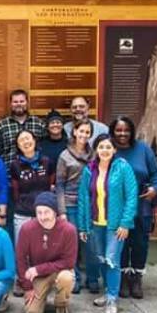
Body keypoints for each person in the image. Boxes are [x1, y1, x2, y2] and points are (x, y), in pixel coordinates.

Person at [78, 134, 138, 313]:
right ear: (96, 150)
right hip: (96, 224)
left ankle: (112, 298)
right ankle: (107, 292)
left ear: (114, 150)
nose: (104, 150)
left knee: (112, 260)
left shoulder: (122, 168)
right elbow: (83, 199)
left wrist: (125, 223)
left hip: (115, 226)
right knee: (101, 259)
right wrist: (83, 226)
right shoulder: (89, 170)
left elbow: (132, 196)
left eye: (108, 147)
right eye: (101, 147)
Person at [110, 116, 157, 299]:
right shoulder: (110, 149)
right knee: (121, 243)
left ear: (132, 131)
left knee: (140, 243)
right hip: (118, 206)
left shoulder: (143, 149)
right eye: (118, 130)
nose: (122, 133)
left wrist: (154, 189)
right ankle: (123, 277)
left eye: (126, 130)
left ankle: (137, 277)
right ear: (113, 131)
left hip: (142, 205)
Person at [17, 192, 77, 313]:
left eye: (47, 212)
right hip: (39, 277)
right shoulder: (27, 229)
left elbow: (69, 262)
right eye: (39, 212)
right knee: (33, 312)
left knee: (67, 277)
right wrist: (27, 287)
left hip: (60, 271)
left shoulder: (68, 230)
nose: (43, 217)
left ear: (55, 212)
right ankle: (41, 299)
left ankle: (61, 304)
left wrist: (39, 269)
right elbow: (20, 259)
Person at [55, 119, 99, 294]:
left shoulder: (94, 155)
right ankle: (75, 278)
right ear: (74, 132)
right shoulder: (64, 155)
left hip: (90, 204)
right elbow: (59, 185)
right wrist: (62, 211)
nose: (84, 135)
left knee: (91, 243)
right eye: (81, 131)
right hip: (70, 203)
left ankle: (93, 278)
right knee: (72, 244)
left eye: (87, 132)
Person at [11, 129, 54, 245]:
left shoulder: (47, 161)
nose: (25, 142)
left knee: (44, 248)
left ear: (34, 140)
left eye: (28, 138)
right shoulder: (15, 165)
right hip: (23, 213)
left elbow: (51, 185)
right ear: (18, 146)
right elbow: (15, 192)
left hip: (44, 213)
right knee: (22, 248)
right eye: (21, 140)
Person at [0, 89, 46, 171]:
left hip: (36, 173)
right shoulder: (1, 125)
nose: (19, 104)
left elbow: (45, 149)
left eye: (22, 101)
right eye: (15, 102)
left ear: (27, 102)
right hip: (9, 174)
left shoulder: (38, 123)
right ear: (11, 104)